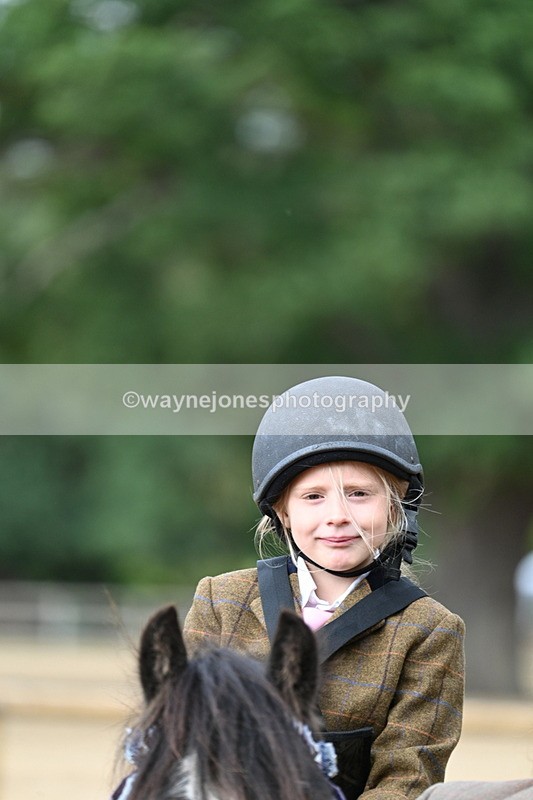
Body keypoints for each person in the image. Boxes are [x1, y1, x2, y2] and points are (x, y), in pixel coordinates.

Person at [183, 376, 465, 800]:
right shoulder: (220, 602)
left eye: (358, 494)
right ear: (283, 510)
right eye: (313, 497)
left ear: (395, 506)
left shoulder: (429, 631)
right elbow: (175, 739)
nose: (337, 515)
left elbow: (406, 778)